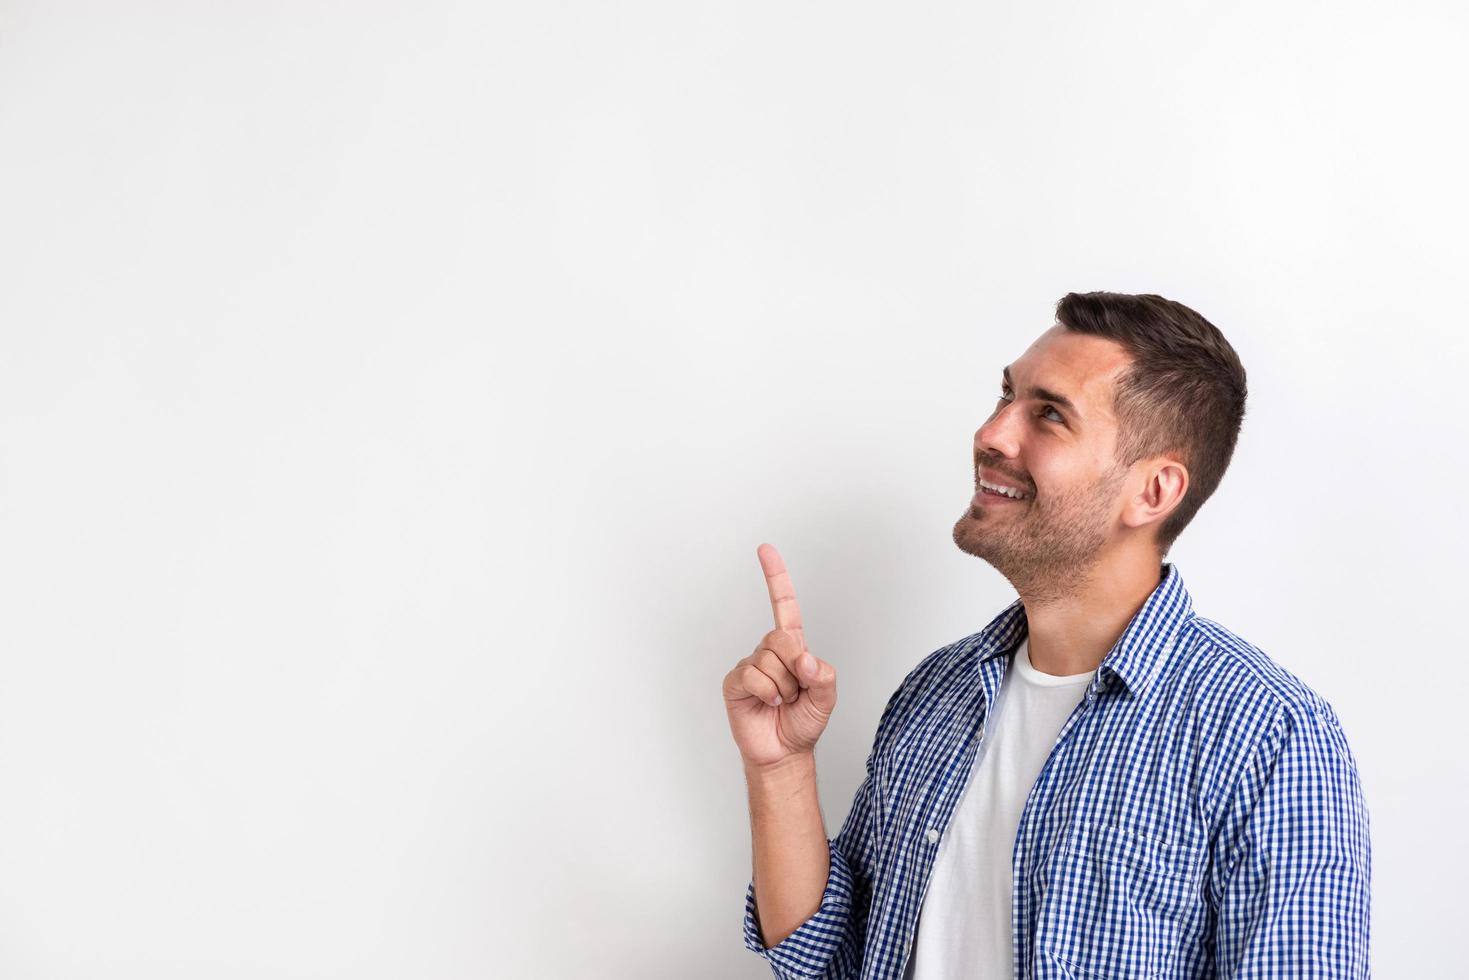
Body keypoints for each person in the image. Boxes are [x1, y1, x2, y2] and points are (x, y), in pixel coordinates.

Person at [722, 291, 1371, 979]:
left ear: (1151, 493)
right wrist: (779, 768)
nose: (992, 434)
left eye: (1049, 415)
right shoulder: (934, 694)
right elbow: (827, 962)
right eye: (1005, 396)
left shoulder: (1268, 737)